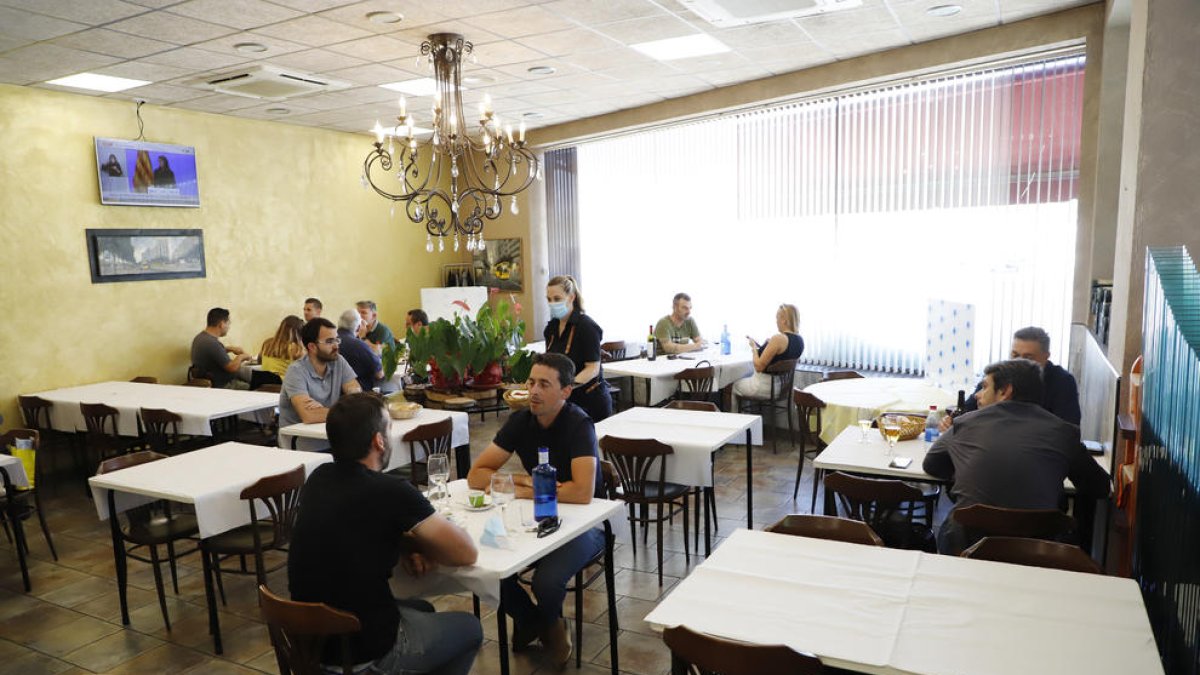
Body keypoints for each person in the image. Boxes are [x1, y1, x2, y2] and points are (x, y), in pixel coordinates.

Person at [289, 393, 481, 674]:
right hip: (363, 654)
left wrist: (406, 545)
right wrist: (421, 545)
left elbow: (355, 529)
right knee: (470, 628)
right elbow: (465, 553)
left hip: (311, 648)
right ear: (379, 440)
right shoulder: (390, 491)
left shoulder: (317, 479)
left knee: (423, 609)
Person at [467, 352, 602, 667]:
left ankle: (547, 625)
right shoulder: (521, 421)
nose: (534, 391)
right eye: (531, 382)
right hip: (535, 518)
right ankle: (540, 622)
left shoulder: (579, 423)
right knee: (489, 569)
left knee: (545, 580)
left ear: (566, 391)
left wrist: (519, 487)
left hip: (587, 525)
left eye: (544, 384)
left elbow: (583, 493)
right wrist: (526, 482)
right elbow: (477, 475)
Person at [923, 359, 1110, 555]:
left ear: (1005, 392)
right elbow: (1100, 487)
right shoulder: (1063, 432)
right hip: (1037, 552)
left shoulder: (965, 424)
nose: (977, 394)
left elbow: (932, 465)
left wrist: (963, 468)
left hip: (966, 548)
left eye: (984, 387)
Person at [947, 326, 1081, 427]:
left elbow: (1068, 428)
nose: (1019, 362)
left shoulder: (1063, 382)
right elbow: (967, 410)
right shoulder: (998, 374)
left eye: (1028, 358)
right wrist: (950, 421)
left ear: (1046, 357)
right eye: (1015, 355)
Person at [279, 318, 362, 451]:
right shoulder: (296, 371)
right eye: (329, 341)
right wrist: (346, 410)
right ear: (312, 347)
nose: (336, 346)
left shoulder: (338, 361)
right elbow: (309, 415)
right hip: (302, 445)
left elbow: (356, 395)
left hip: (332, 436)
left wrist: (330, 409)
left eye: (336, 339)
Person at [542, 274, 611, 421]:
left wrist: (567, 387)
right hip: (563, 400)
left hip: (589, 401)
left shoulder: (587, 326)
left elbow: (592, 368)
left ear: (571, 297)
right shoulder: (552, 327)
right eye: (549, 299)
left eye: (557, 299)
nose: (552, 303)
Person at [731, 303, 804, 405]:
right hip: (782, 388)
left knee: (732, 386)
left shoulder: (778, 338)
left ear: (784, 320)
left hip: (764, 387)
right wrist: (767, 345)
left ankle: (738, 419)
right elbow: (781, 356)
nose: (776, 321)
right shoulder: (800, 340)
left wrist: (754, 348)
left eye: (777, 318)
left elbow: (758, 367)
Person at [191, 307, 253, 389]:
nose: (229, 327)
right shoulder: (212, 343)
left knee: (248, 374)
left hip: (210, 380)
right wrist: (242, 356)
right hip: (222, 385)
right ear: (222, 324)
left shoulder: (200, 338)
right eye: (228, 323)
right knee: (256, 387)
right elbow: (232, 367)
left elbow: (212, 354)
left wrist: (229, 349)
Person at [338, 309, 384, 392]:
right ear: (359, 327)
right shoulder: (358, 345)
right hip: (360, 395)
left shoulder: (331, 341)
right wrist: (377, 355)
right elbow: (380, 374)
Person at [257, 315, 304, 384]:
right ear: (299, 332)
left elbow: (259, 361)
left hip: (262, 384)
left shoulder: (267, 343)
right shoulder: (297, 348)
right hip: (283, 386)